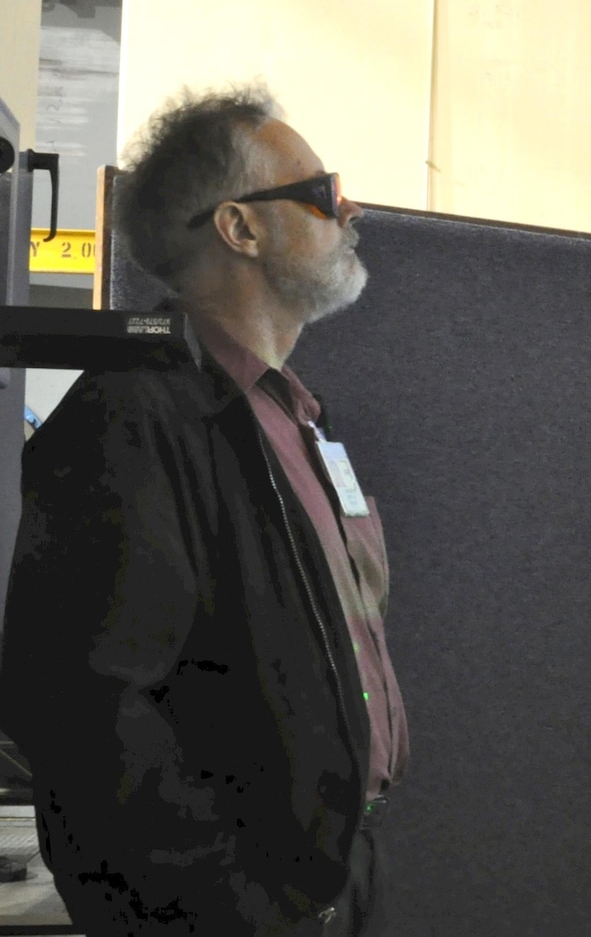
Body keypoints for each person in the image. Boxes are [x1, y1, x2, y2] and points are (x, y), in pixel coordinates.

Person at [0, 86, 407, 936]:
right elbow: (89, 711)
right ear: (241, 228)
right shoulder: (133, 420)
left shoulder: (294, 415)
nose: (351, 208)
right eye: (323, 193)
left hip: (335, 879)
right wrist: (235, 908)